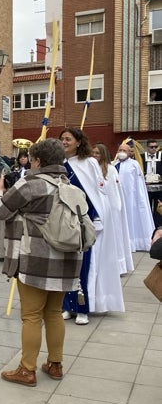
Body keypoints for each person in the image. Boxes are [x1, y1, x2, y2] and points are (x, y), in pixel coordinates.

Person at [0, 138, 83, 387]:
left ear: (38, 160)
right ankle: (55, 364)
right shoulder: (68, 184)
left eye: (31, 158)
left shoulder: (31, 184)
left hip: (36, 259)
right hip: (66, 258)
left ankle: (27, 369)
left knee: (31, 316)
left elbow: (1, 212)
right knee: (53, 313)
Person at [59, 128, 125, 325]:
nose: (64, 142)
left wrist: (96, 217)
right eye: (61, 139)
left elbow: (98, 191)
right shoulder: (60, 163)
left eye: (68, 139)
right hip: (65, 219)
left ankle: (82, 308)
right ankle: (67, 306)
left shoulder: (89, 163)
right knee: (67, 264)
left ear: (78, 142)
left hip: (85, 218)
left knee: (84, 265)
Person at [91, 143, 133, 274]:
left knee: (113, 239)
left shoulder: (111, 169)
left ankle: (116, 267)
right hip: (96, 210)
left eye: (97, 153)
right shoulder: (91, 169)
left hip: (110, 210)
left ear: (103, 155)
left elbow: (114, 193)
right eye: (93, 153)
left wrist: (114, 210)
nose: (94, 155)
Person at [115, 143, 154, 251]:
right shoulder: (114, 164)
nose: (122, 152)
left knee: (131, 217)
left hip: (131, 197)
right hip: (117, 197)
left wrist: (138, 198)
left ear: (129, 153)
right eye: (120, 150)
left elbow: (138, 183)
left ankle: (134, 242)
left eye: (124, 150)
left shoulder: (134, 164)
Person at [142, 139, 162, 227]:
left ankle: (157, 225)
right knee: (147, 206)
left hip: (159, 186)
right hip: (146, 187)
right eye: (151, 147)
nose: (154, 149)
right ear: (147, 147)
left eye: (155, 147)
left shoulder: (161, 156)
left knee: (159, 207)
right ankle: (147, 225)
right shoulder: (142, 157)